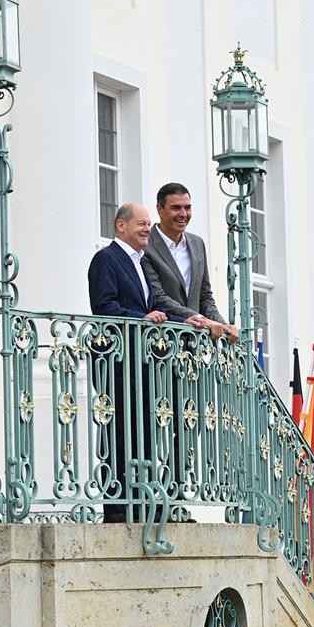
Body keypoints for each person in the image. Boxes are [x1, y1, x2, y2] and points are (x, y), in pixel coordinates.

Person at [87, 203, 199, 523]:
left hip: (142, 360)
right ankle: (118, 504)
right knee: (120, 430)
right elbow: (105, 306)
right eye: (141, 224)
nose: (147, 229)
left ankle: (143, 499)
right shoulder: (106, 259)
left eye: (149, 224)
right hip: (116, 358)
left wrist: (190, 319)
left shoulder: (141, 262)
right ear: (121, 226)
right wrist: (143, 318)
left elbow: (156, 305)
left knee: (145, 430)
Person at [142, 182, 239, 343]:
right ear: (160, 209)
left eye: (187, 207)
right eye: (176, 208)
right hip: (160, 341)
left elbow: (205, 297)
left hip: (194, 345)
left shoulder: (197, 243)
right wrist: (200, 319)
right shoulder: (146, 244)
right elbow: (158, 297)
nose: (183, 214)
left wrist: (224, 325)